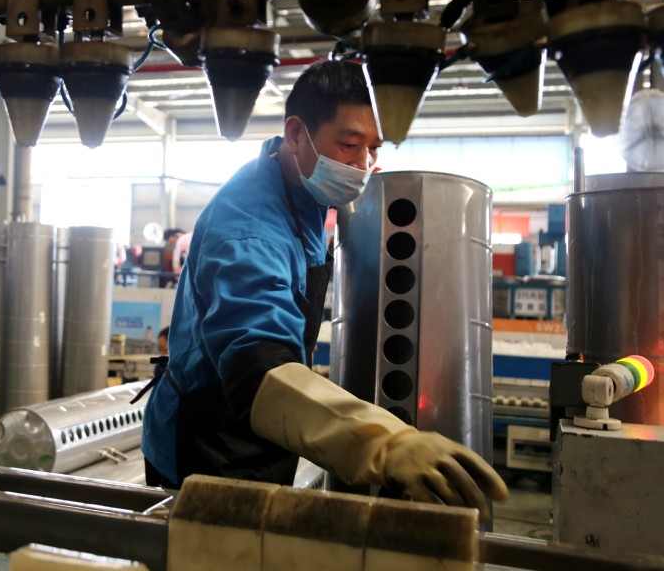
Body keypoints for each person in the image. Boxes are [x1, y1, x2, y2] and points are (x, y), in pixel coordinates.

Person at [140, 60, 508, 518]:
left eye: (374, 148)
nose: (364, 166)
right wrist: (385, 443)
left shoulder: (302, 192)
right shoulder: (250, 229)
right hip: (210, 433)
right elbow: (257, 366)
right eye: (350, 145)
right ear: (296, 134)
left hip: (261, 422)